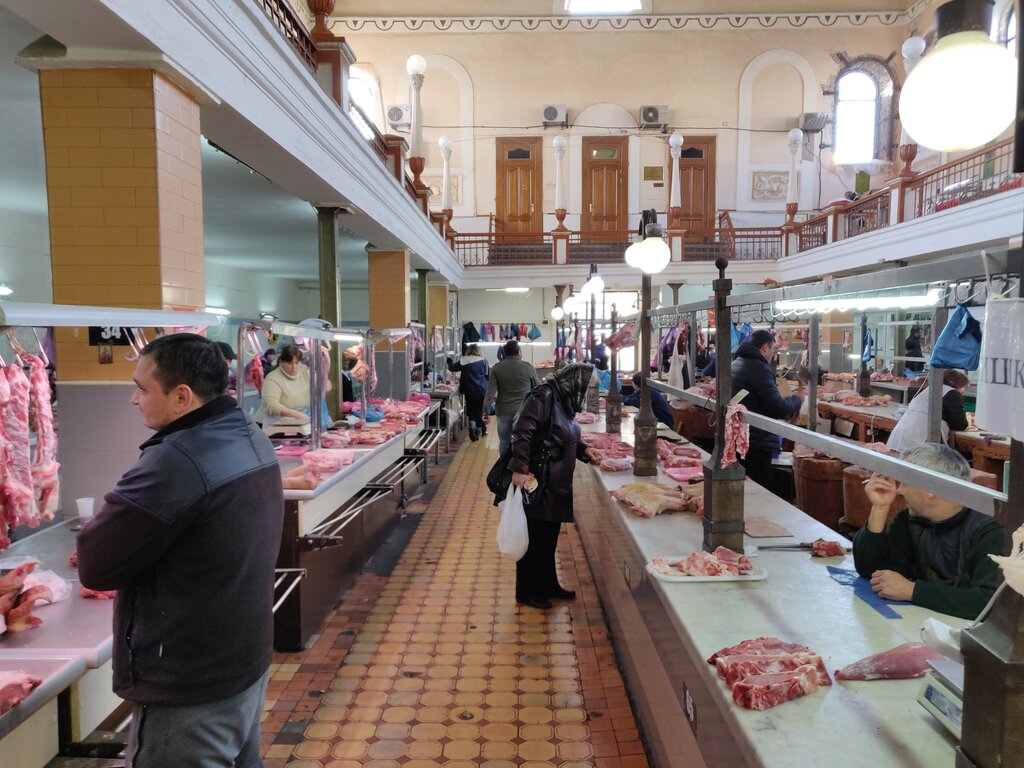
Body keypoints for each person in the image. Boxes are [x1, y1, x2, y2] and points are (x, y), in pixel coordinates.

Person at [76, 333, 283, 767]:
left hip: (189, 681)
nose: (135, 400)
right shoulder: (247, 431)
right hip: (242, 661)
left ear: (181, 397)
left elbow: (96, 565)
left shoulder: (176, 461)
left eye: (142, 388)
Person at [854, 443, 1004, 620]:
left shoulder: (991, 532)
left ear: (930, 489)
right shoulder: (909, 521)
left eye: (905, 482)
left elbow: (989, 602)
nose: (900, 490)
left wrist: (914, 591)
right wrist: (880, 509)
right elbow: (871, 571)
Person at [508, 363, 599, 609]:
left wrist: (583, 449)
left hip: (556, 483)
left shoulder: (565, 400)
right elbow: (522, 432)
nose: (587, 392)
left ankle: (548, 585)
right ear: (574, 381)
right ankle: (526, 592)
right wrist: (519, 468)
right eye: (586, 386)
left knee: (549, 538)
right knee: (535, 538)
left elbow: (564, 435)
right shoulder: (543, 396)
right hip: (540, 481)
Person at [730, 329, 803, 495]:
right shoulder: (759, 368)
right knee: (759, 491)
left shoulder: (737, 362)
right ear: (765, 348)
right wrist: (797, 400)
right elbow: (779, 408)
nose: (772, 354)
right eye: (772, 349)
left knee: (745, 487)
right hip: (756, 441)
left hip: (741, 437)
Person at [887, 369, 970, 453]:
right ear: (956, 383)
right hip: (922, 439)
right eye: (963, 386)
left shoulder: (930, 389)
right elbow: (960, 424)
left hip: (900, 436)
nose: (964, 390)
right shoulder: (952, 393)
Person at [484, 339, 541, 455]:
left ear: (505, 353)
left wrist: (485, 411)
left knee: (504, 442)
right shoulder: (528, 367)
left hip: (504, 411)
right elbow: (538, 389)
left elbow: (490, 393)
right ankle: (521, 468)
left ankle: (504, 470)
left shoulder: (496, 368)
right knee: (524, 441)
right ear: (519, 351)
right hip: (524, 412)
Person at [255, 344, 311, 429]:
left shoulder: (305, 373)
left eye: (297, 363)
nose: (294, 367)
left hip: (294, 424)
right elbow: (272, 405)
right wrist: (297, 415)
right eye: (290, 363)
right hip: (271, 426)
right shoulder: (273, 378)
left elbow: (324, 383)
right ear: (281, 362)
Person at [449, 343, 490, 441]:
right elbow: (487, 376)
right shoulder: (484, 361)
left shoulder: (464, 360)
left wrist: (449, 360)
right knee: (479, 410)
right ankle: (479, 430)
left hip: (468, 390)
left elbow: (452, 368)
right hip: (481, 390)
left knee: (471, 409)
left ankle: (472, 424)